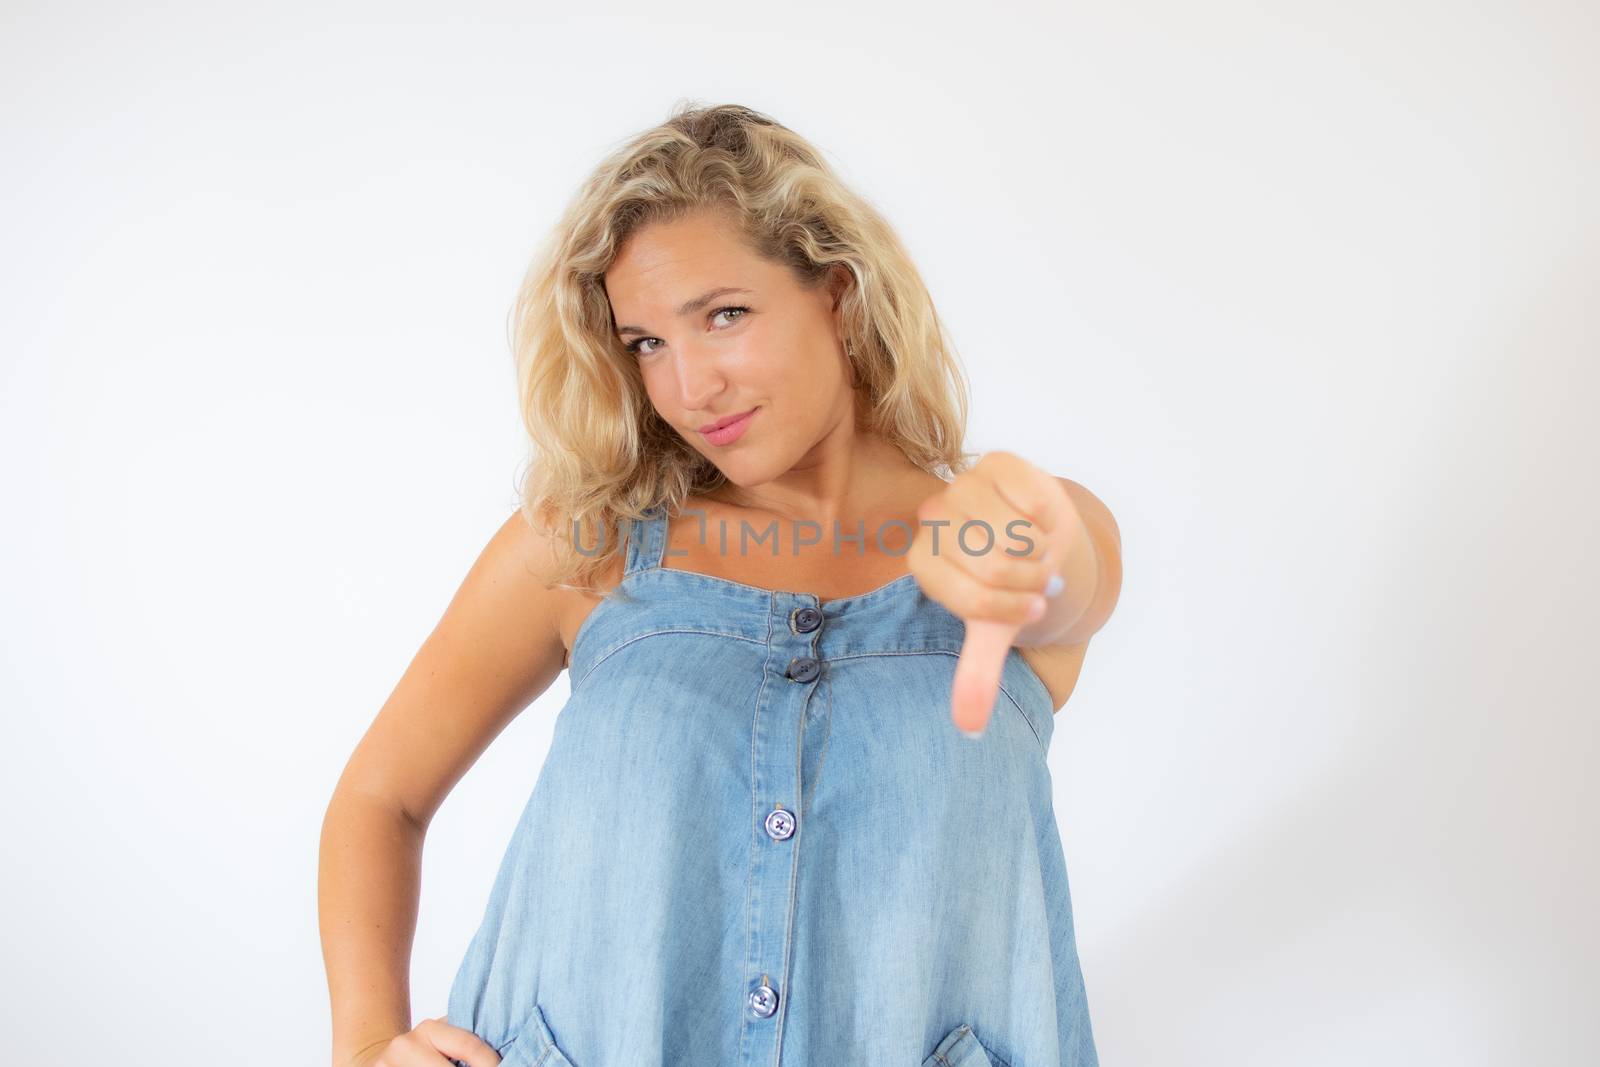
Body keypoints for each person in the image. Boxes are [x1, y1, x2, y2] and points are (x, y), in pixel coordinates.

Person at [319, 102, 1123, 1067]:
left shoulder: (1005, 533)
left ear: (838, 292)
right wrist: (366, 1044)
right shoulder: (585, 547)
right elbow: (381, 796)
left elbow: (1073, 580)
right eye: (647, 343)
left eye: (724, 315)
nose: (689, 385)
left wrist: (1037, 538)